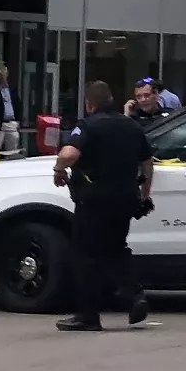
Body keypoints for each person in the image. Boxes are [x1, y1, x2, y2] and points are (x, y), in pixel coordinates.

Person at [54, 79, 154, 330]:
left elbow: (69, 154)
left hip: (94, 201)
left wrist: (58, 168)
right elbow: (147, 162)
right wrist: (144, 193)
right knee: (116, 249)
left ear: (89, 104)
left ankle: (88, 317)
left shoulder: (87, 126)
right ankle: (136, 296)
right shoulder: (131, 126)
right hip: (125, 200)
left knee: (84, 255)